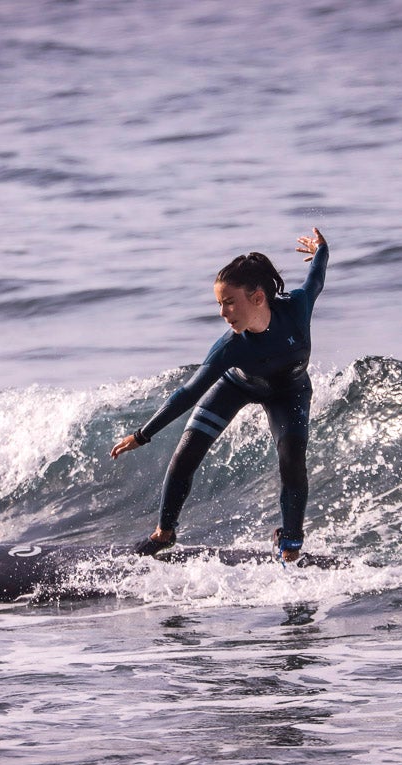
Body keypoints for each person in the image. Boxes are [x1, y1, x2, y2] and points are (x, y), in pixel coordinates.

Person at [111, 227, 329, 562]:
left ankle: (291, 542)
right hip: (237, 384)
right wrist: (142, 435)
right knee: (185, 457)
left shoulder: (297, 308)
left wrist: (321, 250)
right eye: (219, 304)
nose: (222, 313)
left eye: (229, 302)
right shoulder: (230, 348)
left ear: (257, 297)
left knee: (292, 461)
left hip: (290, 391)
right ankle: (164, 533)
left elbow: (316, 277)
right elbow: (188, 393)